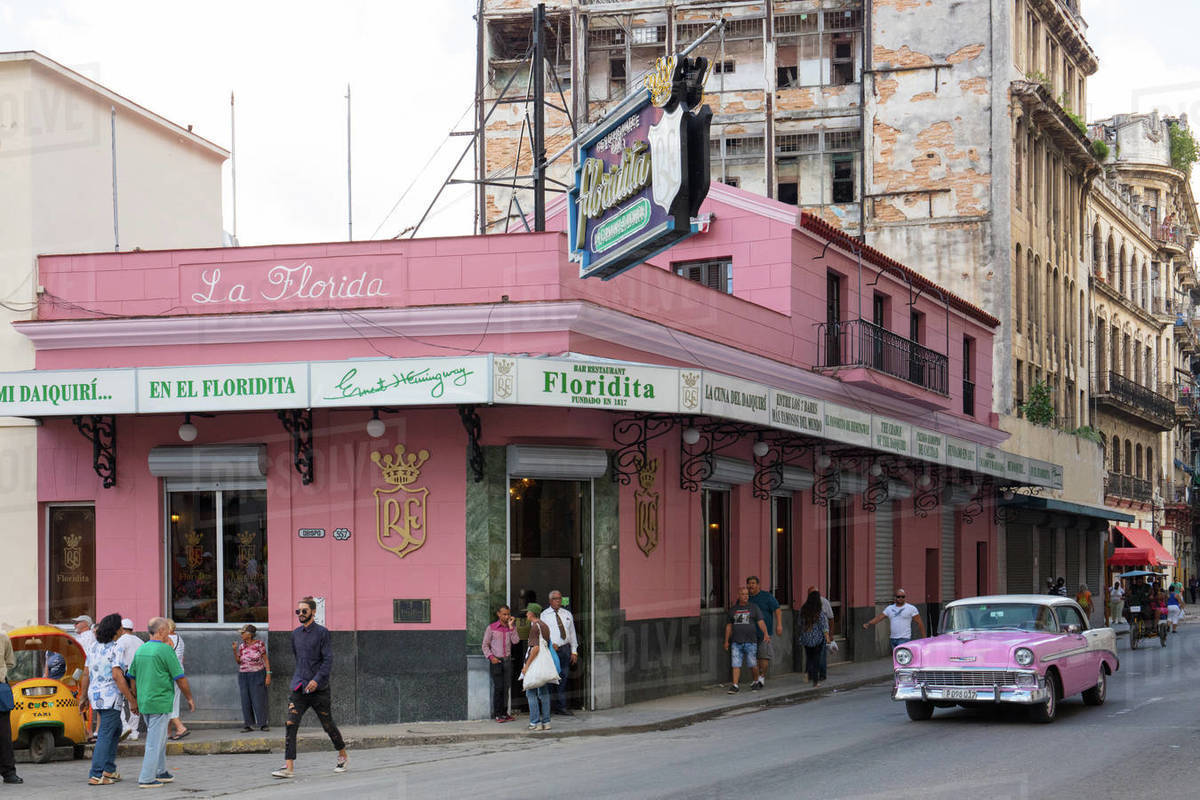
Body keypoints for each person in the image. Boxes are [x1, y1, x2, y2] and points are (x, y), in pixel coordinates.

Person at [271, 597, 348, 779]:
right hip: (299, 687)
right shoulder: (295, 634)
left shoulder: (323, 633)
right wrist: (303, 678)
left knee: (328, 725)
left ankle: (342, 754)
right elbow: (298, 658)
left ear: (313, 612)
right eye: (298, 611)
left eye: (304, 611)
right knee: (290, 723)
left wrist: (317, 679)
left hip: (319, 689)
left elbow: (328, 660)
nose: (300, 614)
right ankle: (288, 766)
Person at [126, 617, 195, 789]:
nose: (169, 635)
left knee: (160, 737)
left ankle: (160, 770)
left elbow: (132, 676)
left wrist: (135, 697)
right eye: (167, 631)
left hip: (145, 700)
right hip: (160, 700)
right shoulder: (165, 650)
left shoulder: (141, 649)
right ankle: (147, 778)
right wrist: (189, 698)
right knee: (154, 741)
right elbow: (180, 678)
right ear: (162, 631)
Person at [79, 614, 137, 786]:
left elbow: (86, 673)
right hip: (110, 697)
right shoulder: (116, 647)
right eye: (120, 627)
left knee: (115, 728)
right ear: (116, 630)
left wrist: (83, 696)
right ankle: (96, 774)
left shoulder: (94, 647)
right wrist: (132, 700)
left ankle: (109, 770)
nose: (121, 631)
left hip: (96, 695)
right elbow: (118, 676)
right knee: (105, 734)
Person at [540, 590, 579, 716]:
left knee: (564, 678)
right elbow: (542, 633)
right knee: (551, 678)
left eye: (560, 598)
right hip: (552, 650)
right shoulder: (544, 615)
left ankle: (562, 707)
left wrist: (574, 651)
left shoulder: (567, 614)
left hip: (565, 649)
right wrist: (550, 644)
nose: (558, 601)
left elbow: (572, 633)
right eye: (556, 599)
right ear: (550, 600)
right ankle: (550, 707)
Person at [724, 585, 768, 694]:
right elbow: (729, 626)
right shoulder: (733, 610)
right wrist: (726, 641)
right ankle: (735, 685)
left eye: (747, 594)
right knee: (735, 664)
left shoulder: (754, 607)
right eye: (743, 594)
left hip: (750, 641)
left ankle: (755, 681)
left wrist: (766, 633)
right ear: (738, 595)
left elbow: (761, 622)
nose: (745, 596)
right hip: (736, 641)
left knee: (753, 664)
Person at [519, 603, 553, 731]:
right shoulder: (545, 626)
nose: (526, 614)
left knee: (530, 692)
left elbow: (536, 648)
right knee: (544, 693)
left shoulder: (534, 627)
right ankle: (546, 722)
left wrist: (526, 666)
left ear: (532, 613)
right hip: (543, 664)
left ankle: (535, 722)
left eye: (528, 612)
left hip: (535, 663)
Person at [482, 605, 518, 723]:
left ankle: (504, 713)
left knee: (506, 688)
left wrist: (511, 627)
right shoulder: (491, 628)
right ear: (498, 614)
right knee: (498, 688)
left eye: (508, 614)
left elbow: (516, 641)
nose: (507, 616)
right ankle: (497, 714)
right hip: (496, 661)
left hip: (507, 660)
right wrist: (491, 657)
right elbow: (485, 645)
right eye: (504, 614)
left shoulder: (510, 627)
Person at [234, 624, 271, 732]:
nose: (241, 635)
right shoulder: (241, 646)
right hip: (243, 675)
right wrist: (234, 650)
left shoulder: (259, 644)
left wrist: (268, 674)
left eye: (243, 633)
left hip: (258, 673)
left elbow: (266, 660)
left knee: (259, 699)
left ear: (249, 634)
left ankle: (263, 724)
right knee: (245, 699)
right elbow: (239, 662)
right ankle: (248, 724)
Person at [746, 576, 781, 688]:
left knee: (763, 657)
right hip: (749, 634)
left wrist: (779, 624)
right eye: (749, 583)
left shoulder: (766, 597)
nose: (751, 585)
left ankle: (761, 677)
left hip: (764, 633)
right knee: (752, 659)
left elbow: (777, 609)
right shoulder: (745, 597)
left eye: (753, 583)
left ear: (758, 585)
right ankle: (755, 679)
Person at [862, 589, 927, 649]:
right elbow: (879, 618)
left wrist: (924, 638)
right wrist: (869, 623)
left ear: (905, 597)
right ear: (895, 597)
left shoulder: (911, 608)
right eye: (898, 596)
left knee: (901, 659)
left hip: (904, 639)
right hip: (893, 639)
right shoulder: (890, 608)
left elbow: (920, 623)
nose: (900, 598)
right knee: (897, 660)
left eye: (903, 596)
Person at [796, 590, 832, 687]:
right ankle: (815, 682)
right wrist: (827, 638)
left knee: (809, 657)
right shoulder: (818, 612)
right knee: (816, 659)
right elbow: (824, 626)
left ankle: (807, 672)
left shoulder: (803, 610)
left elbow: (799, 623)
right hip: (817, 639)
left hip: (806, 638)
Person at [72, 614, 99, 742]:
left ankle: (89, 731)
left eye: (77, 622)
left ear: (86, 624)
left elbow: (86, 658)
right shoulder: (83, 637)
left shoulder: (87, 636)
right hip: (82, 672)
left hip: (86, 672)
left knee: (86, 702)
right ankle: (88, 731)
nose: (74, 625)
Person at [0, 631, 22, 785]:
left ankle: (8, 772)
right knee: (3, 734)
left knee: (4, 735)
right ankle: (8, 772)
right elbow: (10, 662)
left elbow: (10, 662)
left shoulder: (2, 637)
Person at [116, 618, 143, 740]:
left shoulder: (121, 641)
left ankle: (124, 726)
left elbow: (118, 660)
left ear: (121, 629)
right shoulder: (140, 641)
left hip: (125, 674)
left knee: (119, 701)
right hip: (139, 674)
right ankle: (134, 731)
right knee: (135, 701)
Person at [806, 585, 835, 681]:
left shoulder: (824, 602)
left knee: (821, 654)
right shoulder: (807, 603)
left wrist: (831, 635)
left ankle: (822, 674)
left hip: (822, 633)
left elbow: (831, 619)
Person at [167, 620, 189, 740]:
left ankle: (180, 727)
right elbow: (182, 657)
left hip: (170, 673)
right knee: (174, 701)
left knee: (168, 702)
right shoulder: (179, 638)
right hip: (179, 671)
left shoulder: (167, 639)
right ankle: (168, 732)